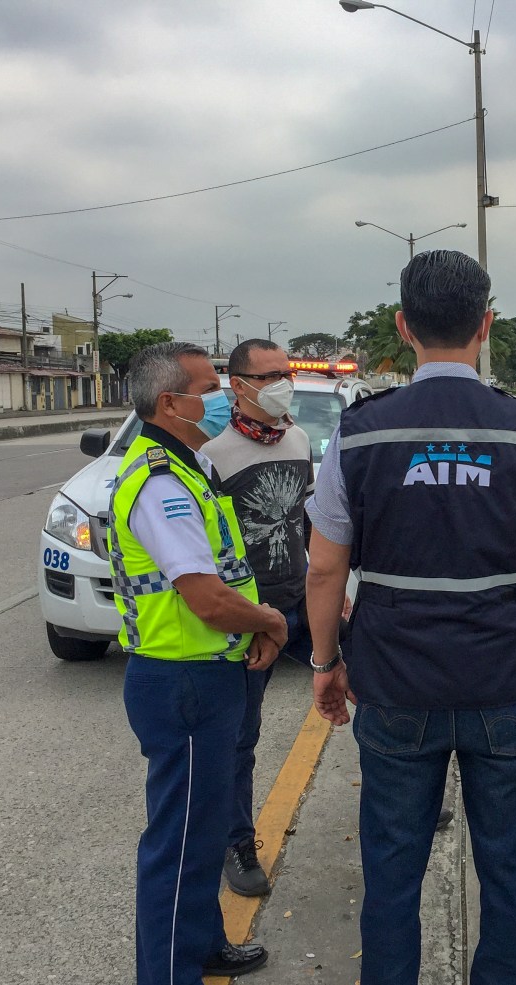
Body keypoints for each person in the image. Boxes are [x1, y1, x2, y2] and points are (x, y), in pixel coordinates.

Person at [304, 250, 516, 985]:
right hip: (506, 685)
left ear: (403, 328)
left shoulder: (359, 436)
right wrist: (515, 597)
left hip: (396, 689)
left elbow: (325, 572)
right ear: (486, 324)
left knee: (392, 876)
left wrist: (326, 662)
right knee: (510, 876)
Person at [109, 341, 287, 985]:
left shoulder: (193, 465)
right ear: (169, 404)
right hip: (180, 682)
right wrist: (270, 618)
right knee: (178, 849)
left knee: (205, 831)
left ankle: (205, 943)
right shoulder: (158, 481)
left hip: (210, 674)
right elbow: (207, 597)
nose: (222, 397)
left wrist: (257, 629)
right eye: (210, 388)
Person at [201, 337, 316, 898]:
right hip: (249, 615)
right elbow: (209, 551)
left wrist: (330, 585)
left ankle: (407, 795)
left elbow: (308, 519)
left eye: (285, 373)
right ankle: (236, 842)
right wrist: (247, 616)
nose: (281, 385)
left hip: (301, 599)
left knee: (375, 685)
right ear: (237, 385)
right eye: (268, 376)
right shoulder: (213, 457)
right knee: (240, 736)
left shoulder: (297, 438)